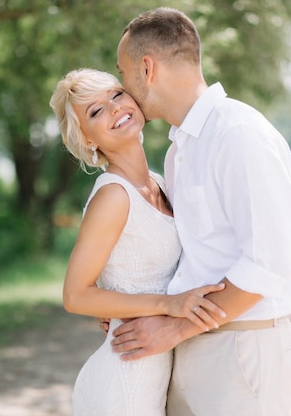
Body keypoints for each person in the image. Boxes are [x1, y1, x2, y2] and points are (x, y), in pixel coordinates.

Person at [112, 7, 291, 416]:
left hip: (241, 347)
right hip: (193, 344)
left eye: (122, 73)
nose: (122, 88)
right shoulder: (181, 150)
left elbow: (269, 264)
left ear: (147, 68)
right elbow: (194, 256)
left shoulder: (238, 135)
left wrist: (175, 329)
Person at [49, 68, 227, 416]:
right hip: (125, 380)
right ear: (87, 140)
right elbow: (75, 295)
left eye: (116, 95)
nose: (114, 108)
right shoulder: (113, 196)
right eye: (96, 111)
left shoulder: (161, 182)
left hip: (158, 374)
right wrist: (167, 304)